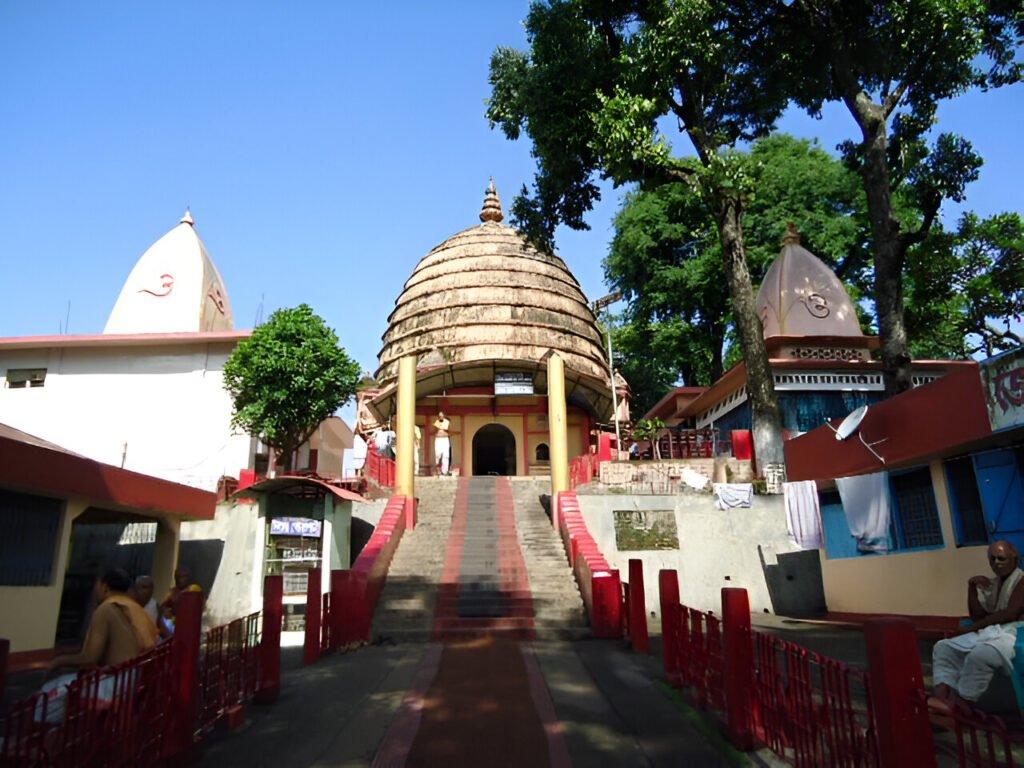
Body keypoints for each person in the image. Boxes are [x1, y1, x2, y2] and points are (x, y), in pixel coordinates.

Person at [39, 568, 159, 723]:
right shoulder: (135, 609)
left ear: (104, 586)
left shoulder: (106, 609)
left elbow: (90, 657)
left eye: (96, 585)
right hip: (133, 679)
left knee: (47, 694)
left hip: (115, 683)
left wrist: (58, 662)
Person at [929, 540, 1024, 717]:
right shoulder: (995, 584)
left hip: (1016, 633)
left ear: (1015, 559)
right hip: (994, 631)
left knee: (981, 655)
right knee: (944, 647)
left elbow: (1010, 613)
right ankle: (941, 701)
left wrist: (972, 628)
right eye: (992, 559)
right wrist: (972, 588)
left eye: (1001, 558)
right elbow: (978, 615)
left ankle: (963, 706)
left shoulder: (1021, 580)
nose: (996, 563)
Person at [433, 411, 451, 475]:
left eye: (441, 415)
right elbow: (435, 431)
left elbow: (448, 430)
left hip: (445, 439)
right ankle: (438, 470)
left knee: (446, 455)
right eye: (439, 416)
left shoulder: (447, 422)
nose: (440, 417)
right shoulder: (436, 422)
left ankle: (445, 471)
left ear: (444, 416)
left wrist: (444, 431)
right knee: (438, 455)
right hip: (438, 439)